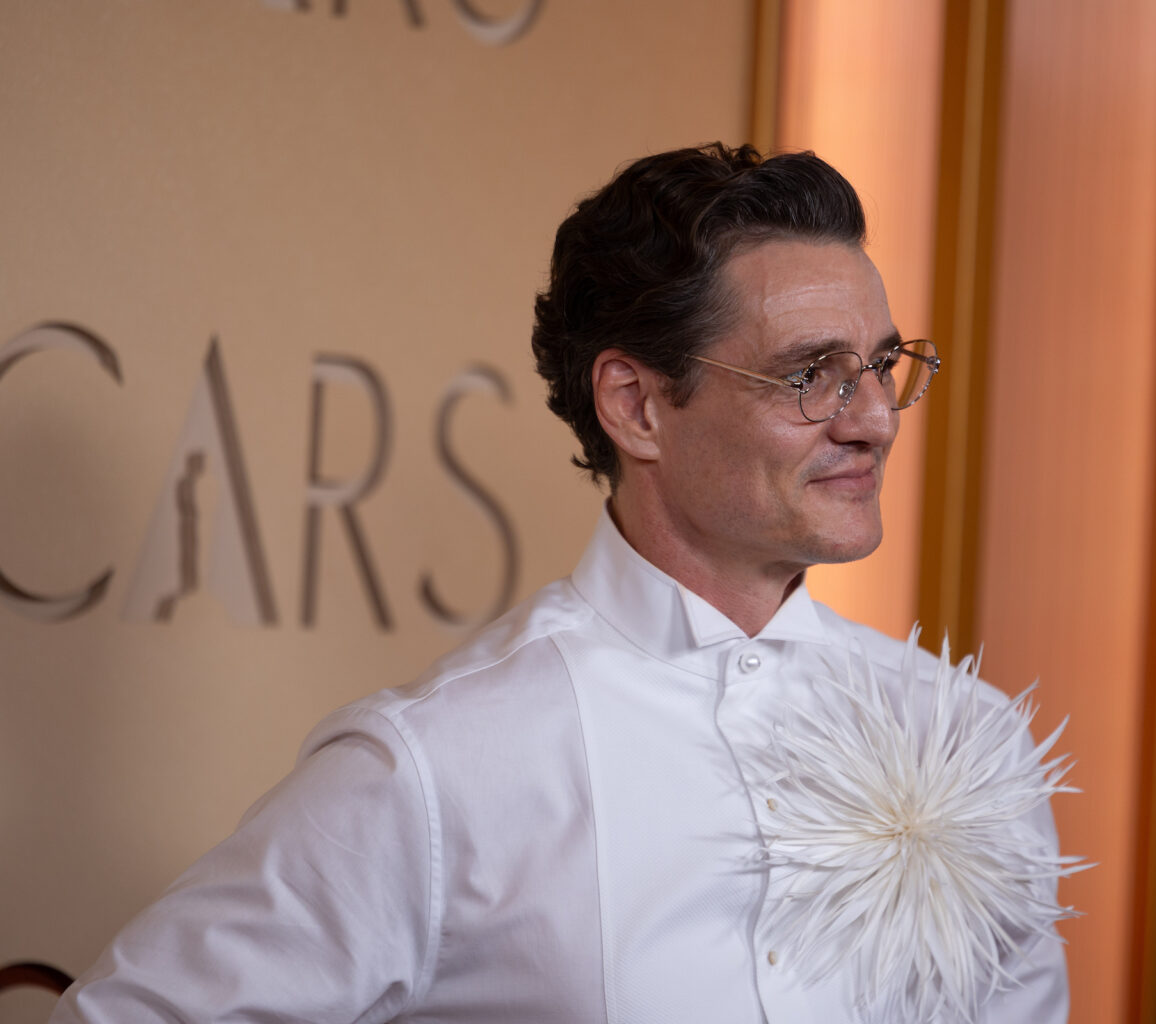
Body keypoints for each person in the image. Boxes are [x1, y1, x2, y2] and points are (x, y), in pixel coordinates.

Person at [53, 143, 1071, 1023]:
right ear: (635, 406)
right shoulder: (440, 766)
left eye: (882, 366)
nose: (875, 420)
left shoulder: (975, 738)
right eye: (811, 375)